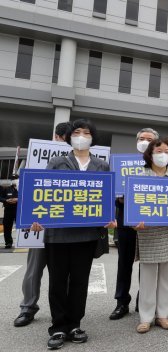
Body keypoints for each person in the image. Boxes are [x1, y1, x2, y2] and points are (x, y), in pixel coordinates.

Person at [30, 119, 117, 349]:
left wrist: (110, 219)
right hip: (58, 235)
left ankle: (75, 324)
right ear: (69, 137)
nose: (81, 136)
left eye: (86, 133)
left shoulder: (101, 165)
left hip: (86, 236)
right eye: (76, 132)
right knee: (57, 281)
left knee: (80, 281)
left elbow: (106, 199)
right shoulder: (57, 162)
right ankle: (58, 327)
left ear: (92, 138)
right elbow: (43, 193)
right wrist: (37, 219)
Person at [14, 121, 70, 328]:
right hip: (40, 223)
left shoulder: (80, 159)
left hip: (65, 228)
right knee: (34, 269)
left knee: (65, 272)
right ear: (56, 137)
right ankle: (27, 307)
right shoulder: (35, 157)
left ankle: (65, 311)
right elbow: (26, 189)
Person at [134, 137, 168, 333]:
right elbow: (134, 206)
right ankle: (146, 318)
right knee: (148, 278)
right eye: (158, 151)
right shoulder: (139, 175)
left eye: (166, 151)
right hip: (148, 232)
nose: (163, 155)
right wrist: (135, 221)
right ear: (150, 154)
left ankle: (163, 315)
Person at [110, 127, 159, 320]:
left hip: (150, 223)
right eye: (141, 138)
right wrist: (118, 198)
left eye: (149, 139)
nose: (145, 141)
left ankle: (144, 301)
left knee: (147, 264)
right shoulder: (121, 164)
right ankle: (121, 302)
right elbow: (112, 193)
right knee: (125, 263)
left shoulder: (158, 165)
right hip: (126, 222)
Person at [1, 174, 19, 249]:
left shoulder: (22, 188)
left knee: (22, 227)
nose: (14, 180)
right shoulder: (7, 189)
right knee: (7, 226)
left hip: (18, 210)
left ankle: (22, 241)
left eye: (16, 179)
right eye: (12, 179)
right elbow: (1, 197)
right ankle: (8, 242)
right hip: (8, 210)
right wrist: (6, 200)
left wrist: (18, 199)